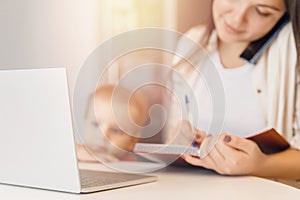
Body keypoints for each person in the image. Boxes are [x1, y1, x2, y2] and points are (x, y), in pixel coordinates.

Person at [167, 0, 300, 180]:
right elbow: (174, 134)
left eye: (262, 12)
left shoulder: (292, 49)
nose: (237, 19)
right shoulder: (192, 42)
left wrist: (261, 165)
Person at [76, 84, 149, 162]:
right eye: (96, 124)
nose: (103, 136)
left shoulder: (134, 163)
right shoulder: (76, 152)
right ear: (84, 122)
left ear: (132, 141)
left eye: (116, 130)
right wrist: (78, 152)